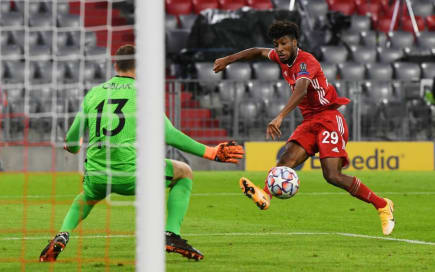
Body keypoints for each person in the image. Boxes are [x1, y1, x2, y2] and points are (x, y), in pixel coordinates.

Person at [39, 45, 245, 262]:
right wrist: (211, 152)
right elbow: (169, 134)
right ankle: (170, 234)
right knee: (183, 172)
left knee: (86, 198)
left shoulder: (94, 93)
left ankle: (63, 234)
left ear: (115, 65)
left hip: (97, 173)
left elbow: (71, 142)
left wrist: (74, 147)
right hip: (131, 176)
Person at [213, 21, 395, 236]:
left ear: (295, 42)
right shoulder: (280, 57)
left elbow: (301, 89)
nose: (279, 48)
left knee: (332, 175)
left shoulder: (305, 61)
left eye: (284, 43)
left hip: (328, 118)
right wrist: (228, 59)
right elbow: (257, 52)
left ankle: (382, 204)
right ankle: (265, 196)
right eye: (276, 44)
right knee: (285, 161)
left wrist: (280, 116)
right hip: (310, 122)